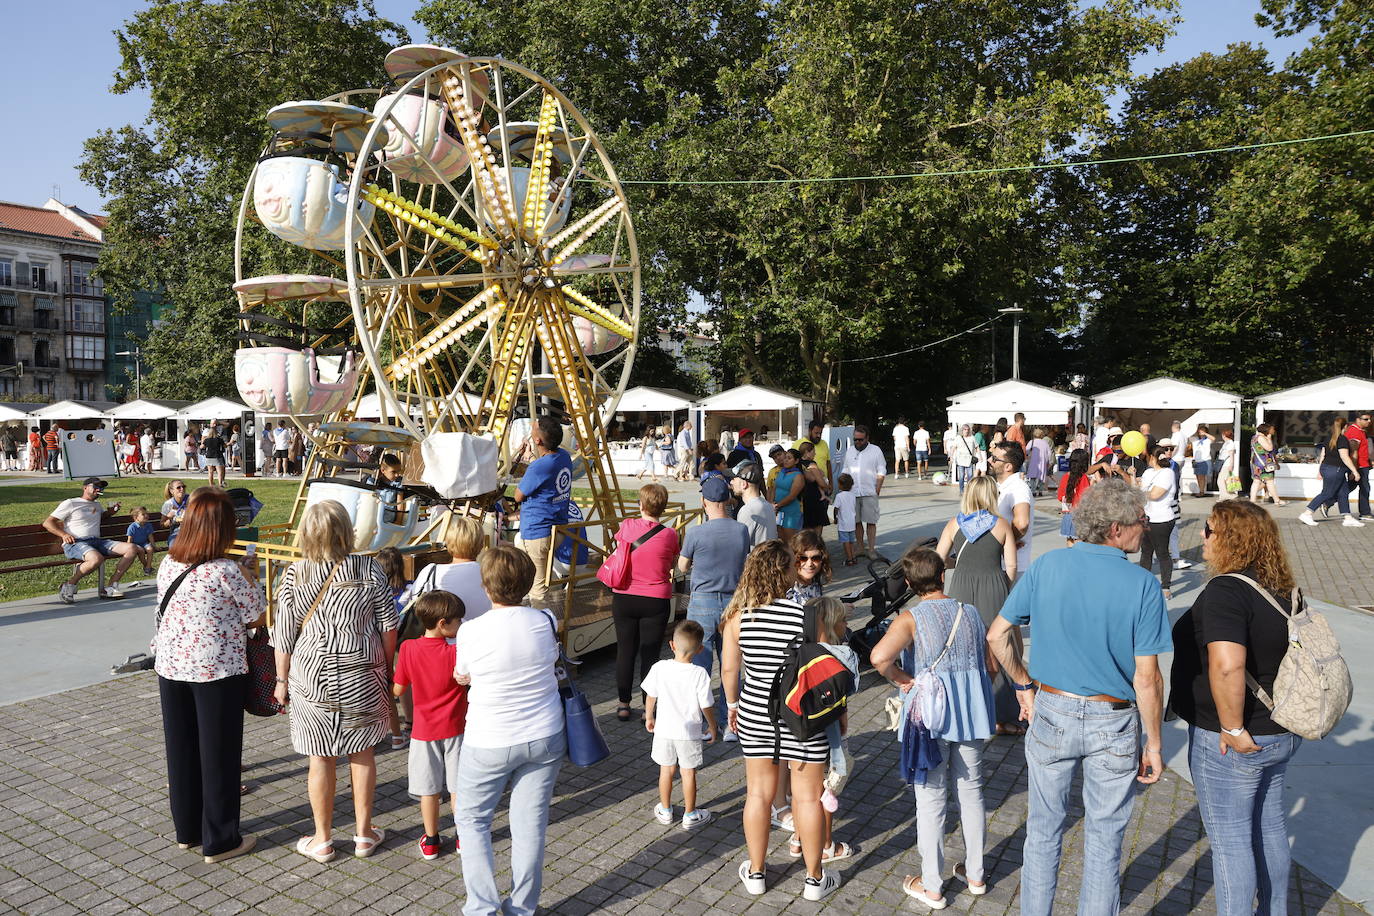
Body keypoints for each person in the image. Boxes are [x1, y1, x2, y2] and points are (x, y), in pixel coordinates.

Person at [987, 479, 1171, 916]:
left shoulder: (1050, 566)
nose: (1143, 529)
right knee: (1105, 841)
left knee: (1044, 832)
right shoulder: (1143, 584)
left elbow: (997, 634)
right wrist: (1155, 743)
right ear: (1114, 529)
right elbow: (1148, 678)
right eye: (1138, 523)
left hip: (1051, 709)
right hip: (1114, 718)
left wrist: (1024, 686)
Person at [1169, 500, 1305, 916]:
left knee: (1231, 845)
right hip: (1279, 729)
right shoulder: (1277, 586)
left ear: (1228, 538)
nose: (1201, 538)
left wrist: (1231, 727)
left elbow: (1228, 665)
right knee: (1269, 829)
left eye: (1208, 530)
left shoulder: (1226, 591)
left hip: (1231, 739)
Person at [272, 500, 399, 864]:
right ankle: (363, 834)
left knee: (321, 757)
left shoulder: (295, 574)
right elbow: (389, 626)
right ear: (347, 530)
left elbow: (284, 635)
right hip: (363, 670)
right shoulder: (369, 567)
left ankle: (323, 840)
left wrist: (281, 680)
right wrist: (383, 666)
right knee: (363, 753)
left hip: (313, 676)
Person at [871, 547, 995, 907]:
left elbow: (879, 657)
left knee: (931, 799)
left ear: (909, 583)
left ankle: (933, 885)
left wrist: (902, 680)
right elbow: (989, 665)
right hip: (969, 712)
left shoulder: (910, 618)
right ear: (943, 576)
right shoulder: (969, 612)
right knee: (972, 793)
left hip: (929, 715)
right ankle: (975, 875)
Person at [721, 540, 841, 902]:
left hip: (756, 713)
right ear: (781, 571)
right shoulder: (806, 614)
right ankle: (815, 879)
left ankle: (756, 872)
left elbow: (730, 669)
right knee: (808, 799)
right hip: (802, 714)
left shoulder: (739, 617)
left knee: (757, 794)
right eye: (792, 563)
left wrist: (732, 704)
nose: (797, 567)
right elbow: (824, 667)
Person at [151, 486, 264, 864]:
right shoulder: (227, 571)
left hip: (171, 666)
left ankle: (187, 830)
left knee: (181, 749)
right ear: (223, 529)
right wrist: (254, 577)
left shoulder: (169, 563)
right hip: (217, 670)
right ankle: (220, 838)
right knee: (218, 753)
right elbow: (258, 615)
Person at [452, 545, 565, 916]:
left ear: (486, 587)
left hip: (490, 738)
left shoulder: (471, 631)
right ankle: (521, 908)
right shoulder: (546, 620)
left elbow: (462, 674)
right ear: (527, 582)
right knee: (529, 824)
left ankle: (482, 907)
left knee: (472, 820)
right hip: (545, 732)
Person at [935, 475, 1019, 733]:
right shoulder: (1002, 525)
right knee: (997, 647)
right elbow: (1012, 565)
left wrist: (957, 565)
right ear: (992, 496)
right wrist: (1003, 584)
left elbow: (938, 558)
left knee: (962, 646)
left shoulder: (954, 524)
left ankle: (962, 709)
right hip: (993, 586)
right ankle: (1000, 716)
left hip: (960, 586)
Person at [392, 590, 468, 861]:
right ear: (443, 623)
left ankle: (432, 839)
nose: (461, 625)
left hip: (423, 732)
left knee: (429, 789)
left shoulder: (409, 649)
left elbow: (399, 688)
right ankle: (462, 838)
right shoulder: (457, 652)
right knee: (458, 787)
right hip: (457, 728)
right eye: (458, 620)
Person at [679, 476, 751, 739]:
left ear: (704, 501)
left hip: (703, 601)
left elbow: (682, 567)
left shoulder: (696, 532)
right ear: (728, 500)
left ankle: (701, 725)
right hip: (733, 602)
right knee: (730, 664)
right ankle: (731, 724)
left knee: (698, 666)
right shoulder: (740, 529)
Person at [611, 483, 680, 720]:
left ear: (640, 505)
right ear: (663, 507)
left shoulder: (627, 526)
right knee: (650, 655)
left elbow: (619, 546)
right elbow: (671, 562)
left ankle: (623, 703)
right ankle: (647, 708)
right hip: (655, 598)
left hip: (625, 596)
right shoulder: (670, 534)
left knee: (625, 650)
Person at [644, 619, 719, 829]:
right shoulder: (699, 674)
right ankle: (690, 813)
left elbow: (651, 695)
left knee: (665, 770)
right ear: (700, 649)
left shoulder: (660, 667)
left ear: (672, 645)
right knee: (688, 773)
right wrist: (712, 725)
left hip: (664, 730)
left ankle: (666, 810)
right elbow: (706, 705)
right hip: (690, 733)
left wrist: (649, 716)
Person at [44, 477, 139, 603]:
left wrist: (109, 513)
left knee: (132, 548)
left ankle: (111, 586)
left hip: (97, 541)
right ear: (85, 488)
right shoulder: (71, 503)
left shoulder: (97, 505)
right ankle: (69, 584)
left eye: (101, 487)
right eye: (95, 487)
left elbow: (99, 516)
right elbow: (48, 523)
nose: (99, 489)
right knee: (96, 559)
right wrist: (63, 535)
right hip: (76, 543)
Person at [513, 417, 574, 608]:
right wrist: (531, 457)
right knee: (520, 567)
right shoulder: (563, 456)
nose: (532, 427)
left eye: (534, 427)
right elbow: (543, 472)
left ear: (538, 440)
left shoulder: (539, 467)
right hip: (558, 529)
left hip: (538, 531)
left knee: (538, 589)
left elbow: (518, 496)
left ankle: (544, 627)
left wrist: (529, 462)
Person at [411, 516, 492, 624]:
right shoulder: (492, 575)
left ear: (448, 542)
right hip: (482, 638)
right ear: (481, 544)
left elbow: (414, 606)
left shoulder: (431, 572)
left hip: (441, 639)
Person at [1298, 417, 1365, 527]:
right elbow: (1344, 457)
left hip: (1327, 467)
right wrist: (1355, 471)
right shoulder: (1342, 439)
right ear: (1346, 427)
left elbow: (1323, 455)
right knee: (1327, 493)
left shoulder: (1329, 438)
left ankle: (1348, 517)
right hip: (1336, 469)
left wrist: (1320, 470)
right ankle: (1307, 513)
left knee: (1343, 493)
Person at [1137, 445, 1181, 597]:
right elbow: (1140, 490)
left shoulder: (1167, 473)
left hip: (1162, 520)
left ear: (1153, 457)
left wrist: (1141, 492)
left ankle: (1166, 587)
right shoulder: (1148, 472)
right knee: (1146, 552)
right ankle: (1143, 585)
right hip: (1146, 518)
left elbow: (1155, 495)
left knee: (1162, 553)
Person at [840, 425, 886, 557]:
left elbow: (881, 470)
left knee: (871, 522)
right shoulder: (850, 451)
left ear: (867, 438)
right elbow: (846, 469)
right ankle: (860, 548)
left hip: (869, 492)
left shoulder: (876, 450)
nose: (857, 442)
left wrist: (877, 489)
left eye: (860, 440)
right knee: (856, 522)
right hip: (852, 493)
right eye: (855, 440)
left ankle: (871, 549)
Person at [990, 441, 1032, 578]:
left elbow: (1022, 522)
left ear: (1008, 466)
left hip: (1011, 568)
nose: (990, 460)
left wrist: (1003, 544)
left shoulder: (1018, 488)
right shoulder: (1002, 486)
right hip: (1001, 564)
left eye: (995, 459)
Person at [731, 463, 777, 546]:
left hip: (756, 558)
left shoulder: (748, 510)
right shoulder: (767, 505)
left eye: (734, 479)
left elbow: (740, 546)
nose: (731, 482)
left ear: (744, 484)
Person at [1056, 448, 1093, 545]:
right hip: (1080, 515)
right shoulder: (1083, 478)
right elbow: (1086, 498)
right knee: (1080, 543)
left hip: (1067, 514)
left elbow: (1060, 496)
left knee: (1070, 542)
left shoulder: (1065, 477)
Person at [797, 440, 831, 533]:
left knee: (806, 528)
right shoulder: (811, 464)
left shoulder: (798, 463)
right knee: (817, 527)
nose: (815, 454)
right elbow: (820, 482)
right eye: (813, 452)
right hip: (815, 498)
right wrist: (827, 487)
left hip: (804, 498)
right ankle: (816, 546)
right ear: (807, 452)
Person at [773, 448, 805, 544]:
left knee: (791, 542)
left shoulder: (798, 476)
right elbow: (773, 488)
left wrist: (777, 506)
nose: (785, 460)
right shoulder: (782, 471)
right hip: (778, 511)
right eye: (785, 457)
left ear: (796, 461)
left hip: (791, 511)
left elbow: (792, 496)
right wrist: (771, 502)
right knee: (780, 540)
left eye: (789, 458)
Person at [788, 529, 830, 603]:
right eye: (803, 558)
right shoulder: (788, 591)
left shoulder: (815, 582)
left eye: (816, 558)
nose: (809, 564)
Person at [1345, 412, 1372, 518]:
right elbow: (1353, 452)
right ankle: (1365, 513)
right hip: (1359, 466)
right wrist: (1354, 470)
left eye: (1369, 419)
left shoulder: (1360, 431)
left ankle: (1328, 501)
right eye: (1366, 419)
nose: (1369, 421)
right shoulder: (1354, 431)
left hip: (1362, 465)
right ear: (1358, 419)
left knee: (1350, 487)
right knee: (1364, 488)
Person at [1249, 423, 1284, 506]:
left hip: (1256, 463)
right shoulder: (1261, 438)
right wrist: (1269, 439)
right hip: (1265, 464)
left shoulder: (1254, 437)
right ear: (1267, 430)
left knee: (1256, 481)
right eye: (1271, 429)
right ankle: (1277, 500)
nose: (1273, 431)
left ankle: (1252, 500)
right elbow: (1269, 448)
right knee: (1270, 482)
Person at [831, 474, 858, 566]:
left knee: (845, 542)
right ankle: (853, 557)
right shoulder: (853, 495)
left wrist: (835, 518)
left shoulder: (839, 496)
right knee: (851, 542)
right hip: (852, 522)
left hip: (843, 524)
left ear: (841, 485)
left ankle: (849, 559)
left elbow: (836, 508)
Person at [127, 506, 157, 575]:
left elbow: (150, 537)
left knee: (150, 549)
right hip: (135, 545)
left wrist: (154, 546)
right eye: (143, 514)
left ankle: (148, 567)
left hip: (144, 543)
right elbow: (129, 540)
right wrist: (128, 549)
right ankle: (146, 566)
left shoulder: (148, 525)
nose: (146, 516)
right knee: (141, 551)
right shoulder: (132, 527)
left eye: (147, 514)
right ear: (136, 517)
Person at [161, 479, 190, 548]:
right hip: (177, 532)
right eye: (178, 487)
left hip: (192, 530)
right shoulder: (168, 504)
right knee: (173, 545)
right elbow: (162, 524)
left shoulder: (191, 500)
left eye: (183, 486)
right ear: (172, 491)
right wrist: (169, 518)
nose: (182, 489)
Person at [1189, 424, 1215, 497]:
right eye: (1200, 431)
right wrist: (1195, 429)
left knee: (1201, 476)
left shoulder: (1208, 440)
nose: (1201, 432)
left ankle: (1201, 492)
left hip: (1204, 460)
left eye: (1203, 430)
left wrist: (1205, 433)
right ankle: (1200, 490)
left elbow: (1213, 438)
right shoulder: (1195, 440)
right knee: (1198, 476)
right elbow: (1189, 436)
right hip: (1196, 461)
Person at [950, 424, 976, 494]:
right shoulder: (958, 438)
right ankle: (961, 490)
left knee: (970, 475)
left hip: (969, 459)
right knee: (961, 476)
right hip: (960, 459)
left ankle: (968, 489)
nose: (966, 431)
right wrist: (951, 457)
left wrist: (980, 456)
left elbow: (977, 447)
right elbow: (953, 448)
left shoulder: (972, 438)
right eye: (965, 429)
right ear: (962, 430)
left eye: (967, 429)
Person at [1215, 427, 1240, 501]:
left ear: (1224, 435)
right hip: (1224, 464)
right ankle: (1227, 495)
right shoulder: (1226, 443)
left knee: (1220, 480)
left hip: (1226, 464)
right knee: (1225, 480)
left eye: (1223, 434)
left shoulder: (1230, 443)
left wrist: (1231, 465)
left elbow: (1231, 455)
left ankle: (1225, 496)